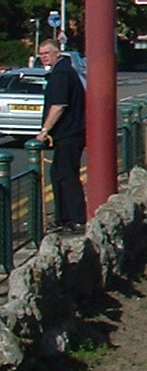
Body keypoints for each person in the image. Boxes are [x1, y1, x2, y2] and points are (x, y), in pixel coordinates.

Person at [34, 39, 88, 234]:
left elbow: (59, 106)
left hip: (69, 133)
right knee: (58, 174)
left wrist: (44, 131)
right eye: (40, 54)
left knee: (66, 176)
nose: (43, 57)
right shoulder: (64, 71)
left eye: (46, 53)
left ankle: (76, 219)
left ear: (57, 53)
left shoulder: (61, 74)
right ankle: (64, 218)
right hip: (69, 133)